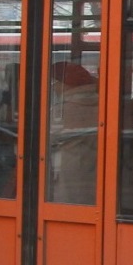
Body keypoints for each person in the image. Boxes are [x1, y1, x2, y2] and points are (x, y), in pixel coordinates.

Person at [49, 61, 101, 205]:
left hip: (70, 170)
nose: (54, 88)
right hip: (95, 168)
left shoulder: (63, 111)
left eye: (55, 83)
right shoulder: (102, 105)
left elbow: (48, 139)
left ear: (65, 84)